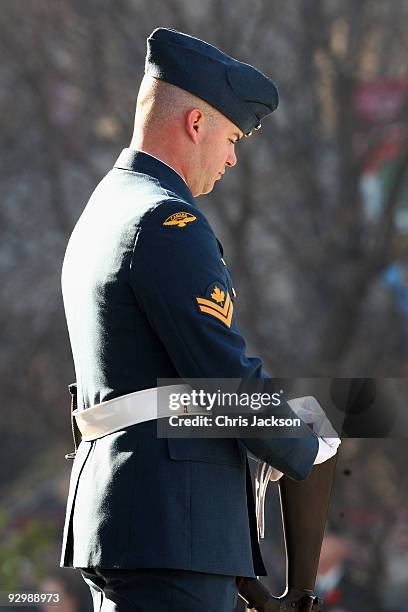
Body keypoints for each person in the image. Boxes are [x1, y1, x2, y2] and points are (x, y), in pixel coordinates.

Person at [60, 28, 339, 612]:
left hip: (134, 522)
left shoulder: (107, 207)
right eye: (233, 137)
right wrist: (306, 445)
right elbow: (220, 379)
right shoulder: (164, 222)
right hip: (170, 536)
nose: (234, 156)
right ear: (195, 125)